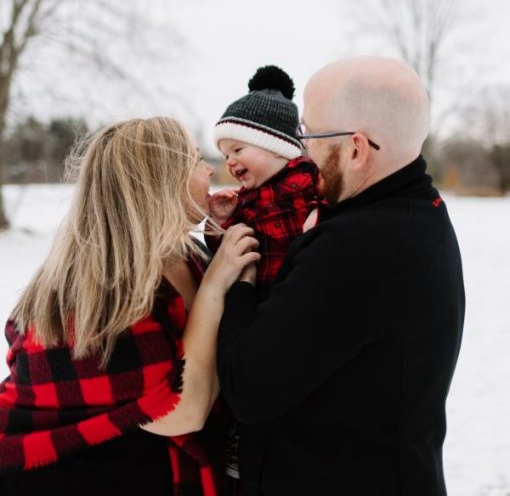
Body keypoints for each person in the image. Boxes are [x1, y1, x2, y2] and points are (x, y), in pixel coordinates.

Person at [206, 57, 466, 496]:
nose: (301, 149)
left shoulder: (360, 246)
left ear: (356, 149)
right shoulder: (415, 211)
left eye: (309, 134)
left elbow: (248, 387)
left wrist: (241, 277)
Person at [0, 117, 259, 496]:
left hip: (139, 469)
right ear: (161, 180)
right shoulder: (96, 288)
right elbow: (183, 410)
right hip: (65, 477)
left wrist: (219, 251)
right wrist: (215, 285)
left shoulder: (184, 254)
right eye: (192, 158)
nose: (208, 168)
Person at [208, 65, 322, 301]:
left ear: (277, 148)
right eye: (225, 155)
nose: (230, 162)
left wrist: (322, 210)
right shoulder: (244, 201)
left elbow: (344, 203)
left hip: (310, 289)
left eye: (237, 149)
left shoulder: (311, 177)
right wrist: (219, 224)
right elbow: (227, 254)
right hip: (262, 300)